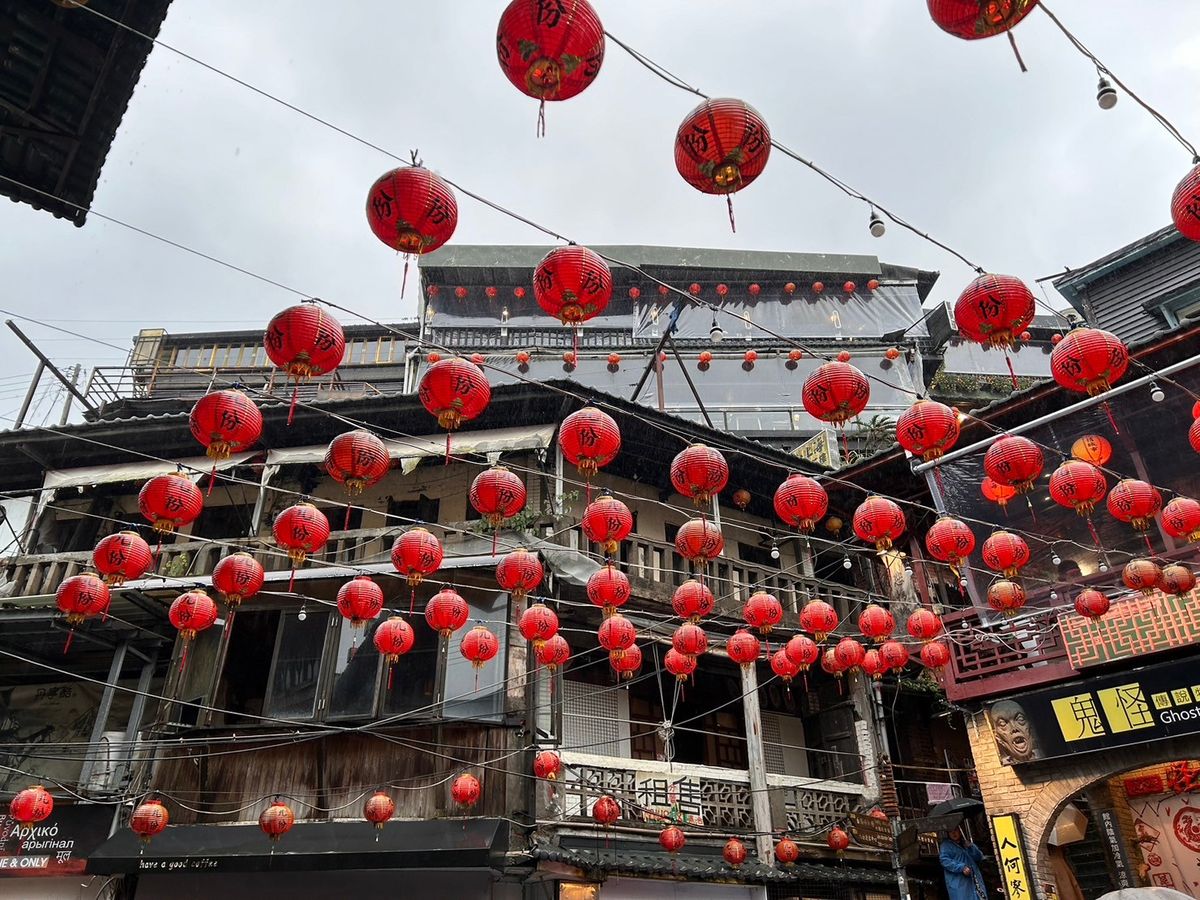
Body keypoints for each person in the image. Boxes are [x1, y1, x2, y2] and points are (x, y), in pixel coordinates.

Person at [940, 825, 986, 900]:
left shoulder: (966, 843)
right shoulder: (946, 845)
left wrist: (971, 847)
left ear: (960, 831)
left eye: (955, 830)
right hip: (959, 882)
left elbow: (979, 857)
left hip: (974, 881)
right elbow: (944, 861)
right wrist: (961, 867)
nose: (953, 833)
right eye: (950, 831)